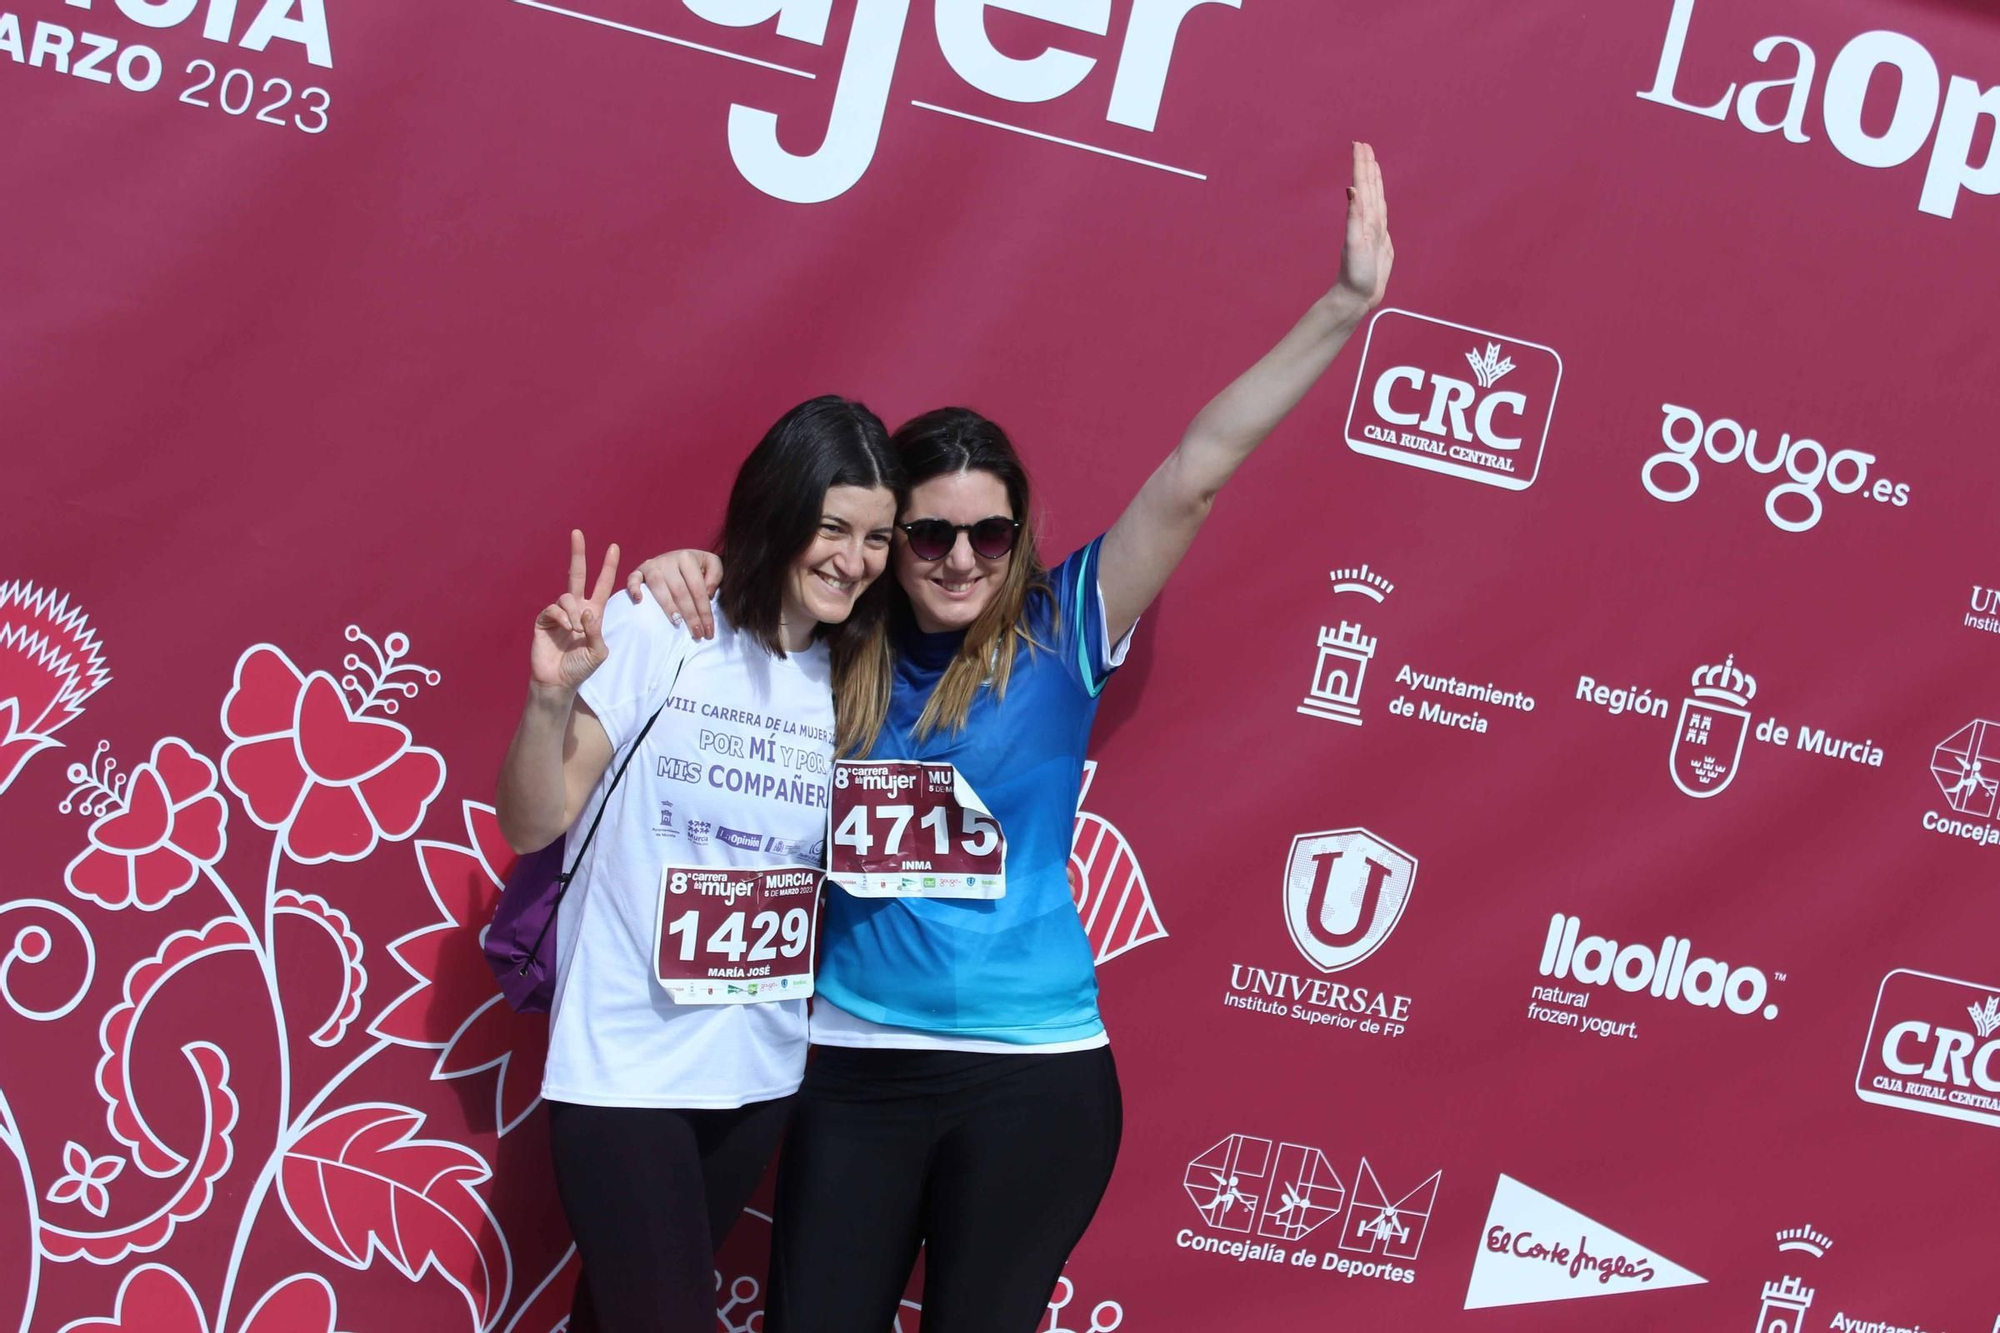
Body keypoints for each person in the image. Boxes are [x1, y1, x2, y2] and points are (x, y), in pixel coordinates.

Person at [633, 142, 1394, 1331]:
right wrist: (684, 569)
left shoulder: (1061, 628)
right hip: (848, 1066)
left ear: (1018, 537)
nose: (957, 560)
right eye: (928, 534)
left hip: (1033, 1083)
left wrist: (1342, 308)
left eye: (987, 535)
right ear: (890, 540)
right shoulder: (826, 641)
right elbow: (736, 597)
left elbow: (1195, 472)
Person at [495, 396, 903, 1333]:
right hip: (625, 1067)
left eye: (876, 537)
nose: (853, 558)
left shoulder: (856, 674)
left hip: (755, 1076)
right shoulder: (663, 627)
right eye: (833, 525)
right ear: (779, 508)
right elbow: (533, 822)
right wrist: (547, 700)